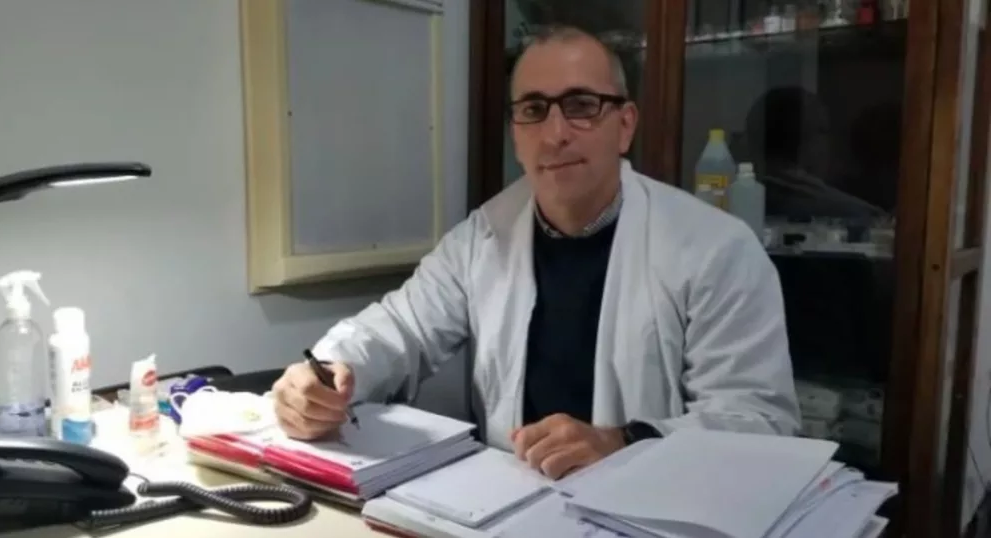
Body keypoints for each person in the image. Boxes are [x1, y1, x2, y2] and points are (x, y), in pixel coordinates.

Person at [272, 25, 801, 480]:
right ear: (515, 134)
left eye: (581, 106)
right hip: (508, 506)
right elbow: (399, 329)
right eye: (533, 110)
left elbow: (758, 422)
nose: (555, 133)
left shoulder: (716, 249)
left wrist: (623, 442)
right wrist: (331, 371)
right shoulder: (483, 236)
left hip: (653, 509)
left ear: (625, 125)